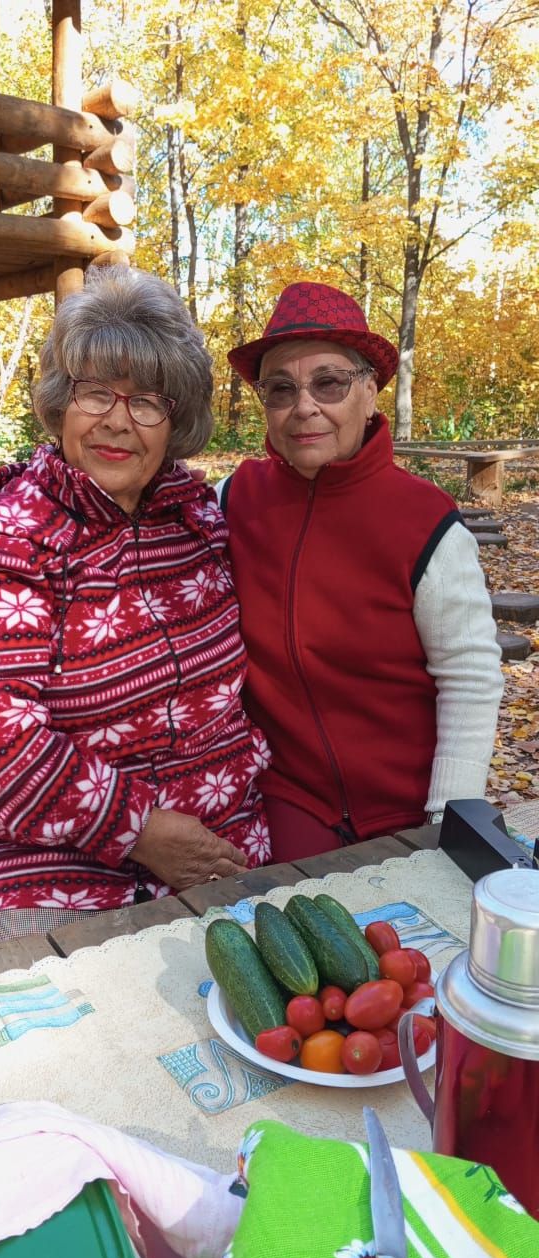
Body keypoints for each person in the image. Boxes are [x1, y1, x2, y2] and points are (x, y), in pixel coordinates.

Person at [0, 265, 271, 945]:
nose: (119, 419)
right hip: (44, 868)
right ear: (61, 401)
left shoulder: (198, 520)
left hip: (221, 852)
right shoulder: (12, 532)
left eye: (148, 399)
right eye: (95, 393)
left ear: (177, 422)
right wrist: (138, 829)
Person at [219, 280, 503, 860]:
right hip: (287, 798)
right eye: (280, 389)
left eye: (329, 383)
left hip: (410, 804)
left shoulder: (425, 520)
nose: (304, 407)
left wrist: (444, 817)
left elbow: (469, 674)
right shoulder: (231, 501)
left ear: (370, 392)